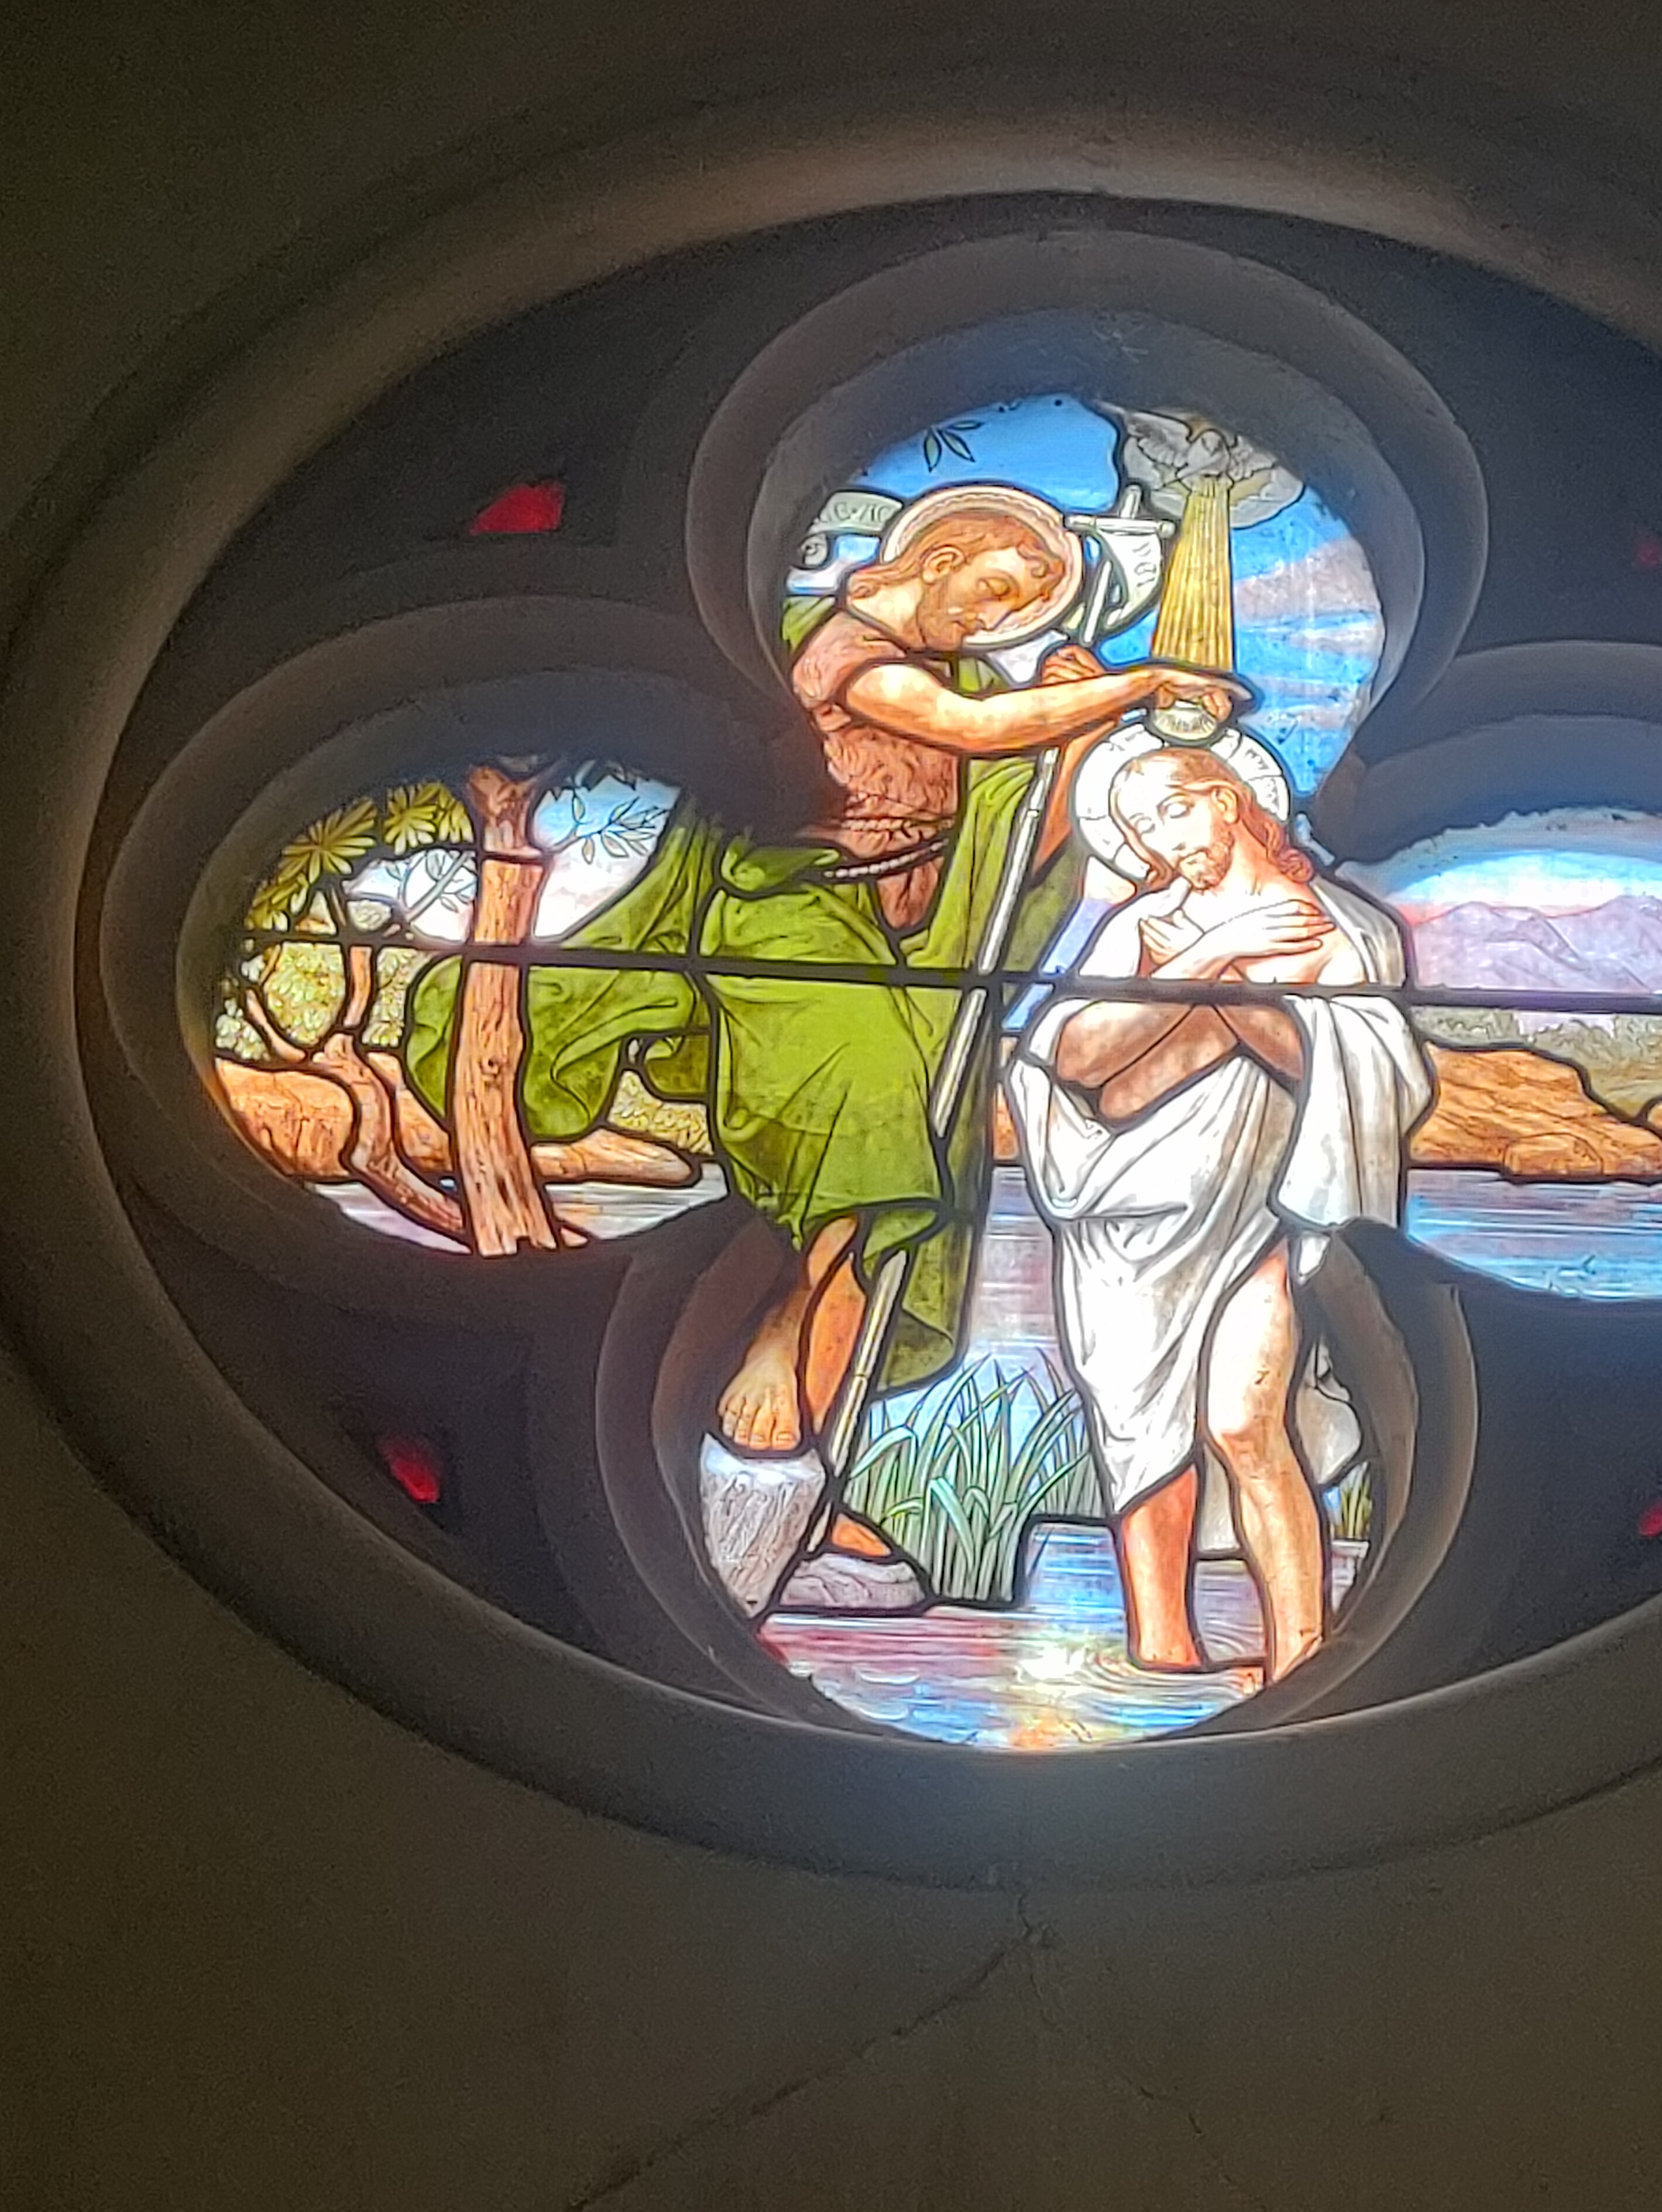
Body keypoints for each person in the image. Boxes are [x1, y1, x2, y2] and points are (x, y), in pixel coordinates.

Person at [406, 486, 1237, 1489]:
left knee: (914, 1135)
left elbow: (1014, 842)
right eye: (995, 590)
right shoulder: (843, 649)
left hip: (899, 947)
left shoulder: (964, 675)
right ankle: (793, 1318)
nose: (996, 619)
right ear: (940, 556)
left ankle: (820, 1429)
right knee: (875, 1086)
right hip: (790, 917)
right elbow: (970, 729)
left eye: (1019, 610)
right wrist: (1135, 686)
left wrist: (1069, 750)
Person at [1004, 747, 1430, 1682]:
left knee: (1243, 1420)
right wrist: (1217, 959)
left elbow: (1362, 1069)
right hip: (1127, 1218)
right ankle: (1164, 1651)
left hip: (1265, 1213)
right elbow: (1075, 1061)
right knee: (1138, 1426)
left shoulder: (1341, 926)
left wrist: (1195, 1015)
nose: (1159, 844)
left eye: (1170, 813)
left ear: (1228, 800)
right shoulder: (1143, 924)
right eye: (1138, 829)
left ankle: (1301, 1659)